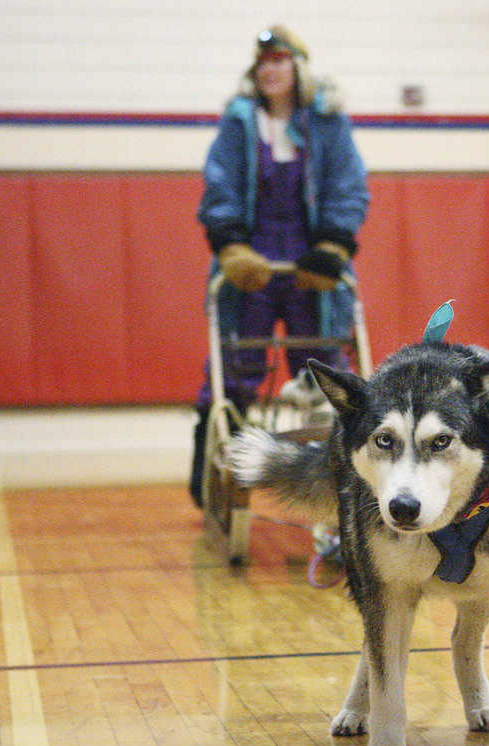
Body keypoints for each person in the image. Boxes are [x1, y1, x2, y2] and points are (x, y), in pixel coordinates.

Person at [189, 24, 369, 566]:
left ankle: (340, 487)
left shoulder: (328, 123)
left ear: (297, 67)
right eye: (262, 62)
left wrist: (335, 244)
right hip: (254, 259)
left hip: (309, 260)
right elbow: (218, 185)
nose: (270, 70)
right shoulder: (239, 123)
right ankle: (221, 481)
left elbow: (347, 183)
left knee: (324, 374)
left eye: (280, 60)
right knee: (236, 367)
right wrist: (229, 246)